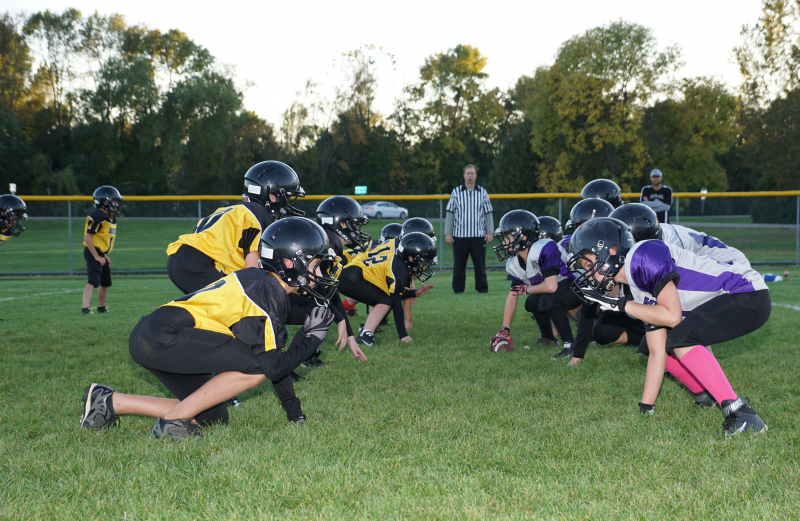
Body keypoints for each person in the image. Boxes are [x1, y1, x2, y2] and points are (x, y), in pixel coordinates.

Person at [79, 217, 340, 440]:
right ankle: (173, 422)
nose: (320, 271)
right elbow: (272, 367)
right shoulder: (267, 291)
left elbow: (273, 360)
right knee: (257, 367)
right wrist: (310, 338)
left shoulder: (263, 285)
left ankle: (109, 401)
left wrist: (296, 415)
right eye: (316, 264)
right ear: (290, 263)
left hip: (154, 334)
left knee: (213, 416)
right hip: (165, 335)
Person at [568, 218, 770, 436]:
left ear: (611, 251)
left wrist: (620, 305)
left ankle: (742, 414)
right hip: (731, 298)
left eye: (589, 264)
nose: (587, 273)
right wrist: (646, 409)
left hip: (745, 292)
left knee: (680, 339)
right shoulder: (634, 288)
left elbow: (672, 317)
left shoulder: (643, 255)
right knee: (650, 345)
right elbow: (657, 351)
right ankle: (704, 395)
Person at [166, 161, 304, 294]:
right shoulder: (258, 214)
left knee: (211, 309)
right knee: (238, 307)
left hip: (182, 257)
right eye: (287, 198)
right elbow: (252, 265)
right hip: (196, 263)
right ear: (272, 197)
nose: (289, 204)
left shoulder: (235, 210)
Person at [490, 210, 580, 359]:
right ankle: (549, 339)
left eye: (507, 237)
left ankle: (570, 345)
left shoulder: (543, 248)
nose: (504, 242)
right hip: (556, 289)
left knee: (547, 300)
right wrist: (504, 329)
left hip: (573, 286)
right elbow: (513, 293)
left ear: (523, 237)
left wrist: (527, 288)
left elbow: (551, 286)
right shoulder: (515, 262)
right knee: (531, 303)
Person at [338, 232, 437, 346]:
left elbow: (395, 294)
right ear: (411, 258)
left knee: (386, 299)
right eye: (424, 263)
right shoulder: (399, 270)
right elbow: (397, 304)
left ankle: (366, 332)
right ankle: (365, 335)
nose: (424, 267)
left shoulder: (399, 265)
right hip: (352, 277)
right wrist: (403, 335)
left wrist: (415, 292)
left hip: (351, 275)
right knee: (385, 301)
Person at [445, 164, 493, 294]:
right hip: (459, 235)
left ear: (476, 175)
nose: (470, 176)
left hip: (478, 235)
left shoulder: (482, 192)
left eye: (472, 173)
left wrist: (490, 232)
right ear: (464, 175)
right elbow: (450, 213)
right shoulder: (456, 192)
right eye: (468, 173)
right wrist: (447, 233)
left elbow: (488, 213)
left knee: (480, 265)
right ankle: (458, 289)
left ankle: (482, 288)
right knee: (459, 265)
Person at [81, 186, 124, 315]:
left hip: (100, 253)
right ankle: (85, 308)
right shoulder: (98, 216)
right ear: (105, 202)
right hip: (92, 251)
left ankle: (101, 307)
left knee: (105, 282)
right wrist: (96, 256)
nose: (116, 204)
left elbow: (101, 239)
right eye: (114, 201)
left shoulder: (110, 217)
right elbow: (88, 238)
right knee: (93, 281)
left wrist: (103, 255)